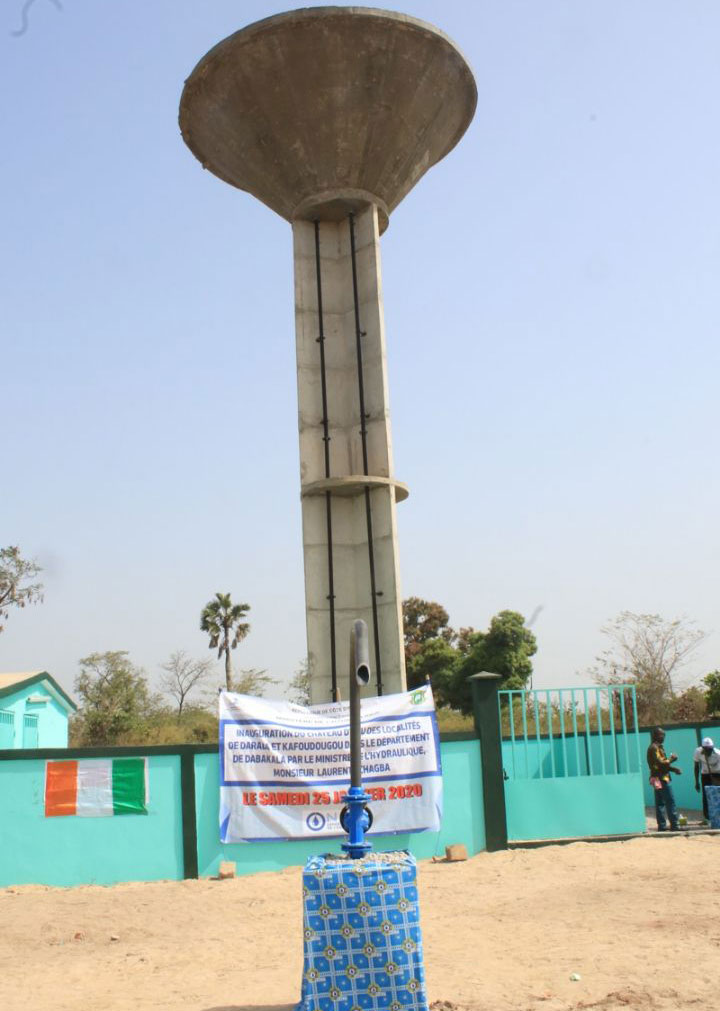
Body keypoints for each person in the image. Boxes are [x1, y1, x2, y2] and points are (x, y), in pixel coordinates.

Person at [647, 727, 680, 831]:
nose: (663, 737)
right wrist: (672, 759)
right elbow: (660, 763)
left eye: (664, 735)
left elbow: (662, 765)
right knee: (670, 801)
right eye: (662, 735)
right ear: (655, 736)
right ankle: (675, 825)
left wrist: (673, 769)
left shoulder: (659, 747)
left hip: (657, 777)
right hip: (661, 778)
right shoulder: (654, 748)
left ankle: (662, 826)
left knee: (660, 803)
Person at [693, 736, 720, 823]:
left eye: (710, 749)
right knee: (705, 796)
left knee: (717, 795)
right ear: (703, 748)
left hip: (717, 774)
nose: (709, 751)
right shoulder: (698, 752)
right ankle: (707, 818)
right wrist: (696, 781)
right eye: (707, 749)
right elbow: (696, 766)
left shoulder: (718, 754)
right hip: (705, 775)